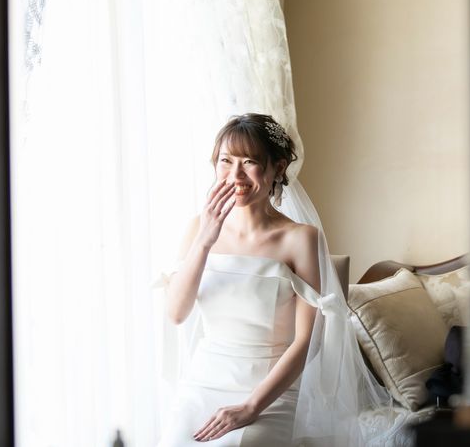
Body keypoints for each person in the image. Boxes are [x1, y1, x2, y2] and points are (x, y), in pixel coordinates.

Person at [157, 114, 392, 447]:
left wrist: (251, 406)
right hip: (203, 385)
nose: (235, 175)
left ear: (277, 169)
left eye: (249, 162)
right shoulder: (198, 228)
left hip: (270, 394)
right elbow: (176, 313)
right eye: (226, 161)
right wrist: (204, 242)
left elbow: (306, 342)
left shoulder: (301, 238)